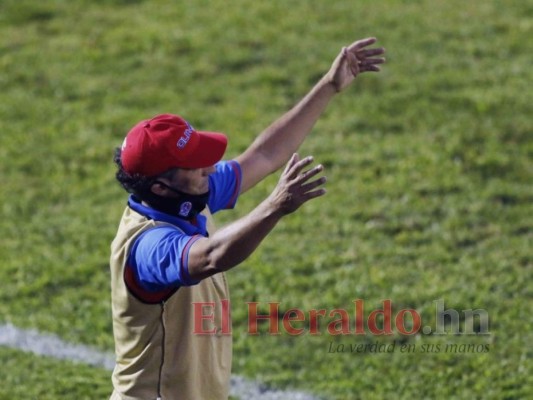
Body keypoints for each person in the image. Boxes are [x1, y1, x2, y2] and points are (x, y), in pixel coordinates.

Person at [109, 37, 385, 400]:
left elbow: (266, 154)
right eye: (195, 165)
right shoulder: (148, 247)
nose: (209, 167)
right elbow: (212, 256)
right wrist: (275, 206)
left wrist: (329, 86)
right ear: (161, 188)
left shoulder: (191, 196)